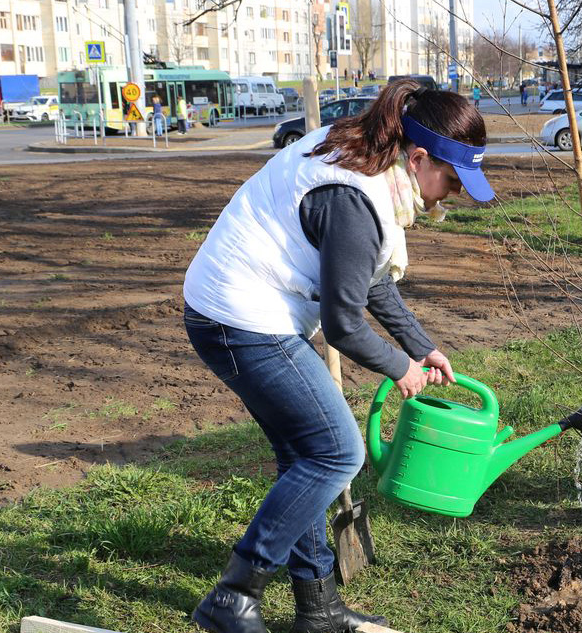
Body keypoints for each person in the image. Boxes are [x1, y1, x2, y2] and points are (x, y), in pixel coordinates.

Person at [182, 78, 497, 633]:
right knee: (336, 454)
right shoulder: (357, 195)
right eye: (450, 179)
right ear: (419, 157)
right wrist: (400, 368)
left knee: (306, 457)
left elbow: (367, 280)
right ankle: (231, 597)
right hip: (238, 316)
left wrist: (421, 346)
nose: (449, 194)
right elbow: (344, 324)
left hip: (252, 307)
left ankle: (318, 609)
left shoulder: (371, 153)